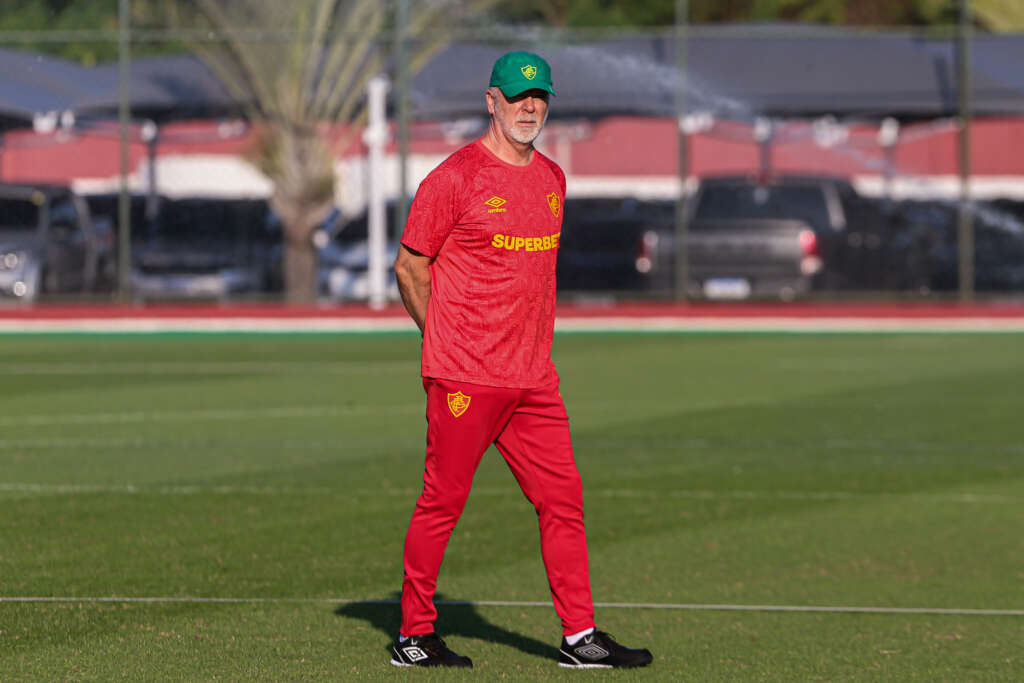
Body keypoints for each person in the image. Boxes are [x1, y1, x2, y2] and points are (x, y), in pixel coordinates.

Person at [389, 50, 653, 670]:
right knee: (443, 502)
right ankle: (413, 635)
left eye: (539, 97)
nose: (529, 107)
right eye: (517, 96)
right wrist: (444, 339)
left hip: (534, 379)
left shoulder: (554, 179)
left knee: (563, 501)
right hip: (465, 376)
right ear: (492, 101)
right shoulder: (452, 178)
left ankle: (580, 637)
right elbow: (409, 266)